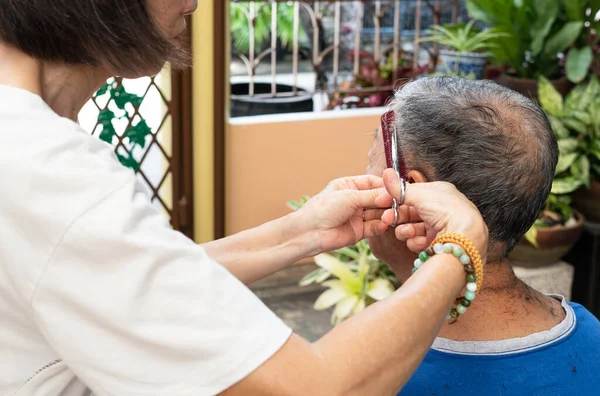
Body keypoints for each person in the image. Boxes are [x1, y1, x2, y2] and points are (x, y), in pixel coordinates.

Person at [0, 1, 490, 395]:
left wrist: (306, 231)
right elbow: (314, 387)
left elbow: (132, 280)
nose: (193, 5)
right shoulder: (53, 173)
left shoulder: (27, 147)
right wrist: (459, 251)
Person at [366, 77, 600, 395]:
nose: (363, 175)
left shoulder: (367, 370)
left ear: (412, 193)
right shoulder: (591, 339)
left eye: (371, 159)